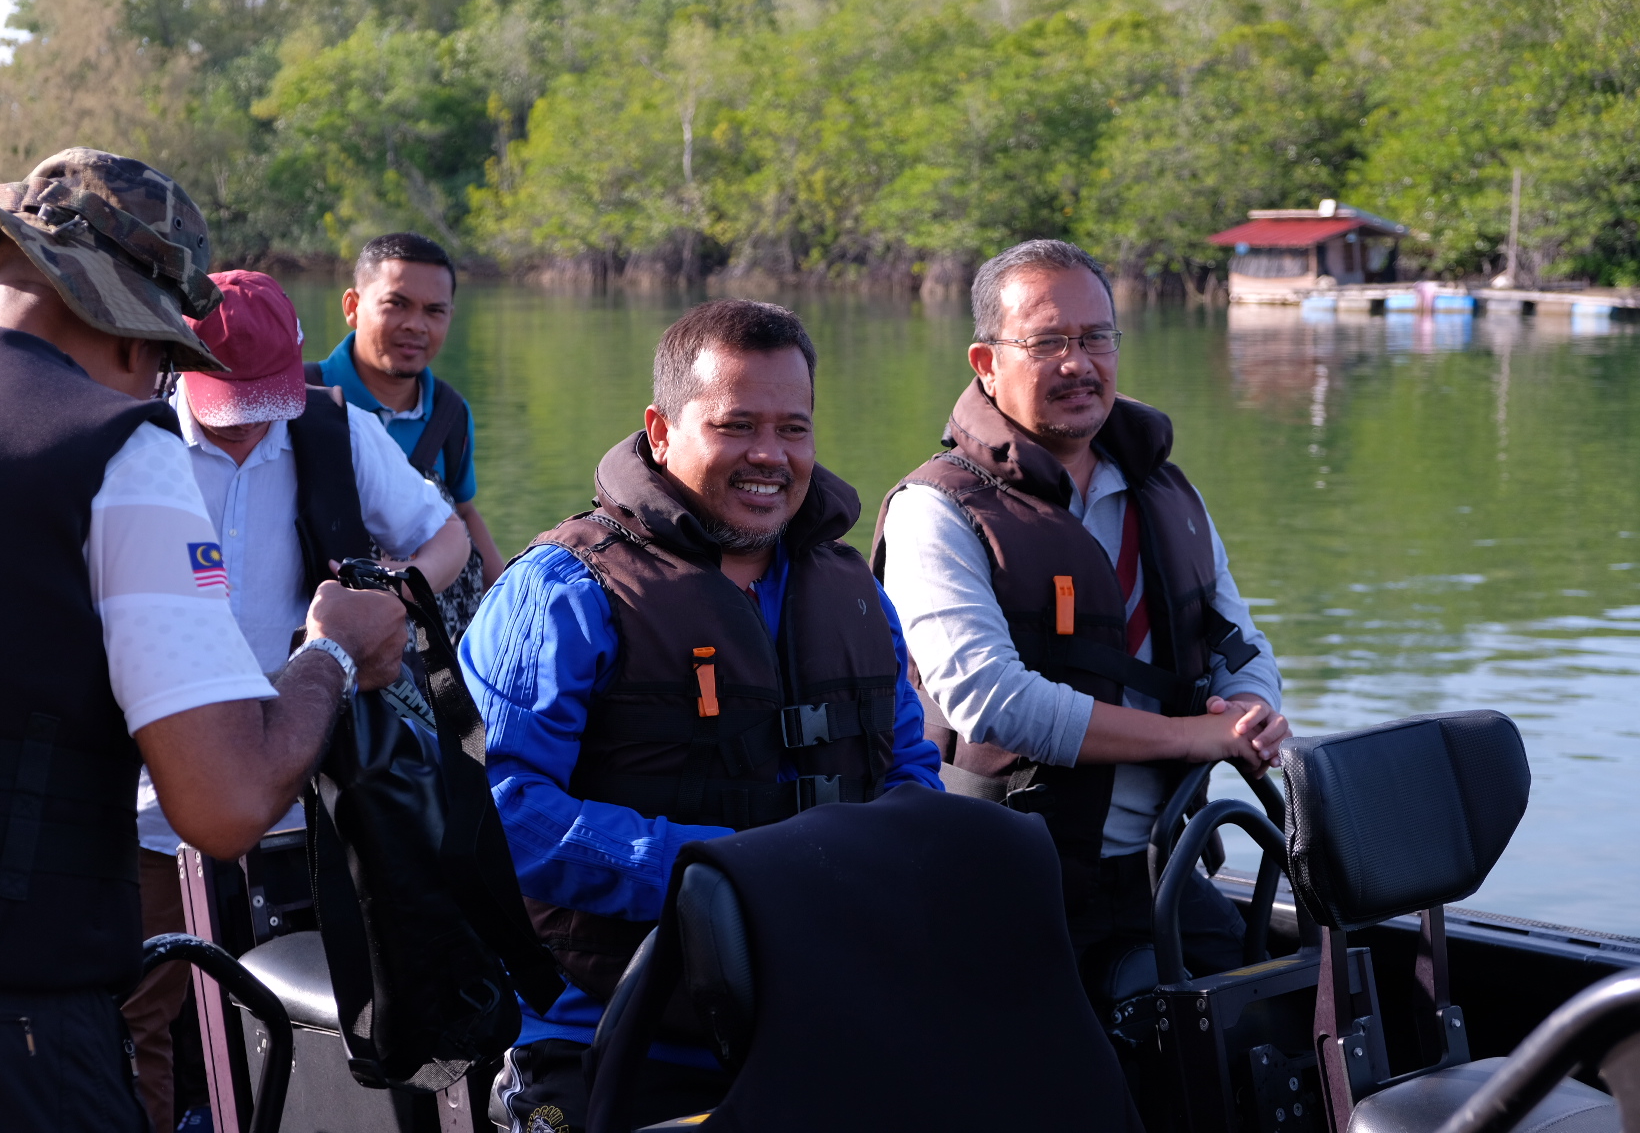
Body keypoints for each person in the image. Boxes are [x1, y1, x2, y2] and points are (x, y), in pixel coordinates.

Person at [0, 148, 405, 1133]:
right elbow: (227, 801)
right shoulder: (123, 449)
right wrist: (328, 652)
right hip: (0, 1053)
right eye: (166, 354)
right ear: (130, 331)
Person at [460, 300, 943, 1133]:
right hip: (614, 1030)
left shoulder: (854, 591)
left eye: (793, 428)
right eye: (736, 426)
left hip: (824, 1006)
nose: (769, 455)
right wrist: (713, 878)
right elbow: (497, 813)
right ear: (659, 430)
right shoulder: (561, 591)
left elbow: (910, 774)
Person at [874, 239, 1289, 987]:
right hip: (1005, 883)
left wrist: (1252, 711)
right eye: (1047, 342)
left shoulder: (1166, 492)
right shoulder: (935, 510)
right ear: (986, 363)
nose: (1079, 363)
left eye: (1097, 337)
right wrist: (1188, 737)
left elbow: (1242, 646)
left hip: (1167, 866)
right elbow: (987, 699)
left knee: (1273, 1025)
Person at [120, 269, 473, 1133]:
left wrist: (389, 606)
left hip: (307, 791)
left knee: (322, 1006)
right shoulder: (128, 445)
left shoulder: (333, 430)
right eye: (228, 409)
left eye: (263, 408)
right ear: (181, 369)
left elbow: (447, 534)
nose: (247, 432)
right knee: (139, 1016)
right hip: (151, 800)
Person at [309, 232, 503, 640]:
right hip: (322, 625)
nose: (415, 325)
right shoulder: (305, 400)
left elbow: (464, 512)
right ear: (353, 306)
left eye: (435, 311)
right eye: (396, 304)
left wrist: (507, 605)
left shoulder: (451, 413)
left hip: (429, 643)